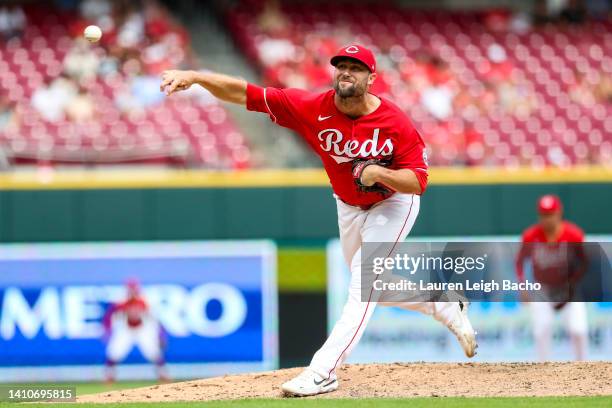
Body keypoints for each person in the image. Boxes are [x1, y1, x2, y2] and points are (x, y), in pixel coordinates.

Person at [160, 44, 477, 396]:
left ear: (372, 78)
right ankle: (444, 302)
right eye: (341, 65)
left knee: (363, 283)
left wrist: (377, 173)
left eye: (355, 67)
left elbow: (418, 182)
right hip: (348, 206)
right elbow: (246, 93)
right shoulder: (311, 107)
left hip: (393, 204)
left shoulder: (395, 122)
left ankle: (323, 370)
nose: (346, 72)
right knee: (375, 286)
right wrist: (195, 77)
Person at [515, 194, 589, 361]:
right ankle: (545, 373)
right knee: (541, 331)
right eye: (543, 215)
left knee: (578, 330)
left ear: (559, 213)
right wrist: (522, 286)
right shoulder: (530, 236)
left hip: (567, 288)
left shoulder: (573, 235)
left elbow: (585, 262)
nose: (547, 219)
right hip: (543, 288)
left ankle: (584, 369)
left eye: (550, 214)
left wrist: (574, 281)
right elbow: (519, 262)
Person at [103, 279, 169, 383]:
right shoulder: (120, 301)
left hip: (143, 329)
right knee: (115, 352)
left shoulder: (145, 300)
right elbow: (109, 317)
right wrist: (107, 331)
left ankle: (163, 374)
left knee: (153, 351)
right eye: (130, 288)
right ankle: (109, 375)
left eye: (134, 288)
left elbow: (154, 319)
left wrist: (161, 335)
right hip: (125, 329)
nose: (132, 291)